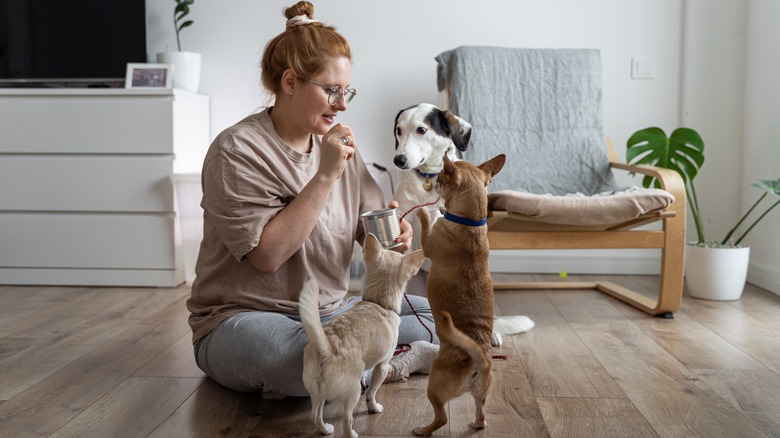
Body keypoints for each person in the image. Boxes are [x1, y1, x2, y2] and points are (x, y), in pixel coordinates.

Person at [186, 1, 439, 399]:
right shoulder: (236, 151)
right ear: (290, 83)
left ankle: (375, 360)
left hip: (333, 315)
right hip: (244, 320)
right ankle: (390, 361)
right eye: (332, 91)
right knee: (300, 362)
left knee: (444, 316)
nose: (343, 105)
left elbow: (368, 228)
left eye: (347, 91)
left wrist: (394, 234)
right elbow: (267, 257)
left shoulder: (337, 144)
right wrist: (324, 176)